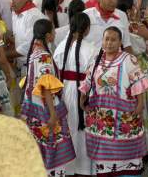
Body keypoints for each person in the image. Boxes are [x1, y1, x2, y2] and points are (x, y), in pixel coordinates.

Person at [79, 26, 148, 176]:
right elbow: (87, 81)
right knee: (104, 157)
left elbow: (138, 83)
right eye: (106, 39)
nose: (109, 43)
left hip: (124, 115)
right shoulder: (97, 59)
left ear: (120, 42)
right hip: (101, 116)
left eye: (113, 40)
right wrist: (82, 99)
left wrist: (140, 104)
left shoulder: (128, 59)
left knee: (126, 155)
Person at [21, 18, 76, 175]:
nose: (54, 33)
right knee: (52, 146)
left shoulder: (34, 52)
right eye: (53, 31)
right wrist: (52, 114)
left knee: (41, 146)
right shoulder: (43, 56)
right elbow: (45, 85)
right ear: (48, 35)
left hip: (34, 107)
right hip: (46, 108)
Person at [52, 12, 95, 176]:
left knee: (66, 128)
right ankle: (83, 168)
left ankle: (66, 167)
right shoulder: (91, 49)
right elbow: (92, 77)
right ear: (87, 29)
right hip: (82, 92)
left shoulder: (60, 47)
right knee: (81, 129)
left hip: (62, 91)